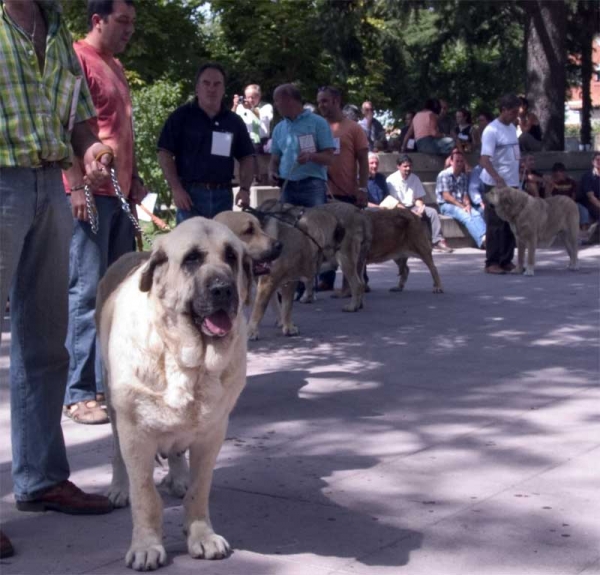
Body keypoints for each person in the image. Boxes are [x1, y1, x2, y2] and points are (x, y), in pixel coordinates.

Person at [0, 0, 115, 557]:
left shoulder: (57, 25)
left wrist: (91, 147)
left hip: (50, 186)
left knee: (46, 344)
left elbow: (77, 116)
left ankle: (41, 478)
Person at [62, 0, 146, 425]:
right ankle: (78, 393)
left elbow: (119, 131)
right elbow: (69, 126)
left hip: (119, 194)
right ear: (98, 20)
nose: (130, 30)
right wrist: (76, 184)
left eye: (133, 23)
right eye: (123, 22)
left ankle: (107, 385)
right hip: (90, 195)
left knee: (117, 296)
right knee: (87, 292)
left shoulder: (114, 65)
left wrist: (137, 181)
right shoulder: (78, 59)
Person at [157, 62, 255, 223]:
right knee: (190, 247)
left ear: (224, 89)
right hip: (189, 196)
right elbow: (164, 153)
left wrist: (245, 189)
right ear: (197, 87)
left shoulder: (233, 121)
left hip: (223, 196)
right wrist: (176, 188)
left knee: (221, 247)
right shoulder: (181, 117)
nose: (211, 88)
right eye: (206, 83)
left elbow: (247, 157)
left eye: (217, 84)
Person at [316, 86, 369, 290]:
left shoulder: (354, 128)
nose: (321, 105)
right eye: (319, 101)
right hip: (322, 192)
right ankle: (326, 279)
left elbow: (363, 160)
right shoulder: (318, 127)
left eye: (325, 101)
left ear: (336, 101)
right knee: (325, 237)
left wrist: (362, 188)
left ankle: (359, 279)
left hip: (347, 192)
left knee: (352, 238)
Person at [268, 83, 335, 207]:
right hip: (287, 187)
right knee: (285, 225)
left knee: (316, 224)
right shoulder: (278, 128)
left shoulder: (318, 123)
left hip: (313, 186)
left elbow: (330, 158)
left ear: (289, 100)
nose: (275, 105)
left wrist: (311, 156)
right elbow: (274, 159)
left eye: (277, 100)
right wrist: (272, 172)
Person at [479, 93, 521, 274]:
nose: (516, 115)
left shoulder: (512, 127)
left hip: (512, 182)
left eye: (517, 112)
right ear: (503, 110)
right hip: (495, 184)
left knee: (510, 222)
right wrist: (497, 177)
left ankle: (506, 259)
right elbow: (484, 160)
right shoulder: (491, 130)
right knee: (495, 223)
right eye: (513, 112)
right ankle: (492, 262)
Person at [386, 155, 453, 253]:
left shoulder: (415, 178)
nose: (408, 169)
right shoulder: (391, 180)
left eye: (409, 166)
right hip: (398, 208)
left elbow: (418, 198)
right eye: (405, 166)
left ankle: (438, 241)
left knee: (432, 212)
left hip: (412, 206)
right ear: (398, 166)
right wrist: (409, 212)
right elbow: (393, 202)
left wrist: (420, 206)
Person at [436, 150, 486, 249]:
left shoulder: (463, 176)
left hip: (460, 204)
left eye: (461, 161)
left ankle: (486, 236)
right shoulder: (444, 175)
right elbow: (447, 196)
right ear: (451, 161)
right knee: (465, 216)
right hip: (446, 205)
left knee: (475, 213)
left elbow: (465, 194)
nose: (459, 163)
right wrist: (462, 206)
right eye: (457, 161)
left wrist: (467, 204)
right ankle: (481, 241)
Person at [232, 83, 273, 153]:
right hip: (244, 141)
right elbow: (231, 118)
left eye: (253, 97)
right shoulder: (241, 107)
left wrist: (251, 108)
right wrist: (235, 106)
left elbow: (261, 118)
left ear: (259, 96)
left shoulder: (266, 107)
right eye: (248, 97)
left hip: (261, 142)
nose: (250, 100)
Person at [579, 152, 600, 244]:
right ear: (593, 162)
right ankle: (589, 237)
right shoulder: (588, 176)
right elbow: (591, 197)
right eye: (597, 160)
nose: (599, 161)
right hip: (590, 203)